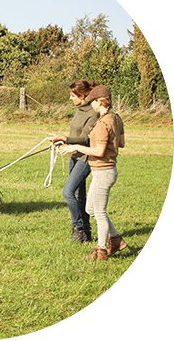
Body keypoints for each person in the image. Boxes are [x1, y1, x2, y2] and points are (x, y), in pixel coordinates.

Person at [60, 85, 128, 261]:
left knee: (99, 212)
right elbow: (121, 143)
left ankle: (102, 250)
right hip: (105, 170)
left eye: (93, 102)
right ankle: (116, 239)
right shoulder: (115, 118)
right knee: (90, 208)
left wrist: (75, 146)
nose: (91, 105)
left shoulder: (103, 123)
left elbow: (98, 151)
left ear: (100, 102)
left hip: (103, 170)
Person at [51, 80, 98, 243]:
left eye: (73, 96)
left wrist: (66, 139)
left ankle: (78, 228)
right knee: (79, 195)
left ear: (83, 95)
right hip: (74, 156)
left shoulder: (93, 112)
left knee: (68, 192)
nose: (71, 99)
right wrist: (62, 141)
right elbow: (75, 134)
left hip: (85, 157)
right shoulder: (79, 110)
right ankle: (86, 233)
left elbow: (85, 138)